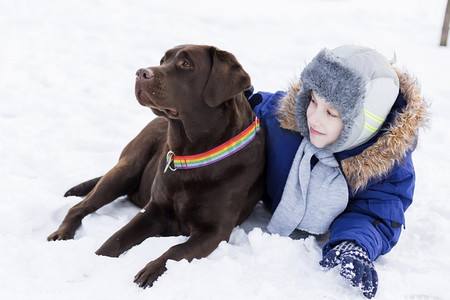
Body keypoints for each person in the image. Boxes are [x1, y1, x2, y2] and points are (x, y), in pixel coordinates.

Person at [247, 45, 428, 298]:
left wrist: (353, 243)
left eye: (331, 112)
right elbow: (249, 109)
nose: (314, 119)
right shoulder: (284, 123)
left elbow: (374, 214)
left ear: (367, 122)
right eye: (313, 101)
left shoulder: (384, 169)